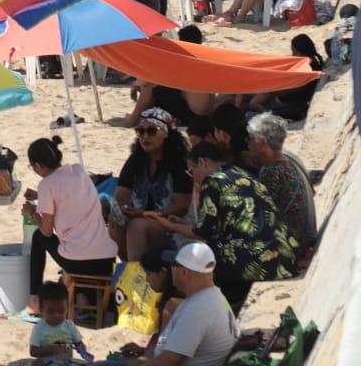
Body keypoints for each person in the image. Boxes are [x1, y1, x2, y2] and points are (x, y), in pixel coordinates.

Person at [146, 141, 298, 312]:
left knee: (199, 255)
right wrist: (182, 224)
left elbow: (201, 234)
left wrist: (168, 225)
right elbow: (219, 224)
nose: (193, 177)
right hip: (286, 256)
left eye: (191, 171)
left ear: (202, 162)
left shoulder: (212, 182)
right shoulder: (240, 173)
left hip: (261, 261)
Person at [22, 137, 115, 318]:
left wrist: (33, 213)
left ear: (38, 166)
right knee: (78, 244)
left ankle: (34, 300)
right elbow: (69, 197)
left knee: (38, 238)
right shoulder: (78, 171)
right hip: (105, 259)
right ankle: (83, 298)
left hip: (79, 262)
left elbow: (47, 231)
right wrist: (40, 196)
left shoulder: (46, 184)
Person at [118, 242, 238, 366]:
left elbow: (168, 361)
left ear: (184, 272)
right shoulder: (209, 298)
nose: (170, 270)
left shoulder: (196, 309)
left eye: (173, 265)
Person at [109, 108, 193, 261]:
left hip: (170, 223)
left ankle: (137, 278)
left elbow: (182, 205)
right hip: (140, 217)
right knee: (115, 222)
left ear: (166, 133)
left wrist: (146, 214)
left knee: (137, 226)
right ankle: (128, 266)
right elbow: (120, 195)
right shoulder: (136, 160)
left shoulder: (179, 163)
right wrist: (120, 211)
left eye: (152, 131)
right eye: (140, 131)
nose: (145, 136)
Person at [244, 113, 317, 251]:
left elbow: (261, 219)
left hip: (296, 246)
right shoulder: (290, 157)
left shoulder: (270, 172)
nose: (248, 144)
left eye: (251, 139)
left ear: (263, 143)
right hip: (308, 234)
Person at [28, 281, 88, 364]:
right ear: (41, 310)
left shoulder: (69, 325)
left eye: (61, 311)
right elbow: (33, 351)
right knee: (36, 363)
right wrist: (50, 350)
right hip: (47, 362)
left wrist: (82, 348)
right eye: (51, 311)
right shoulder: (39, 328)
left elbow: (79, 343)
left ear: (67, 308)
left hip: (66, 362)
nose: (56, 315)